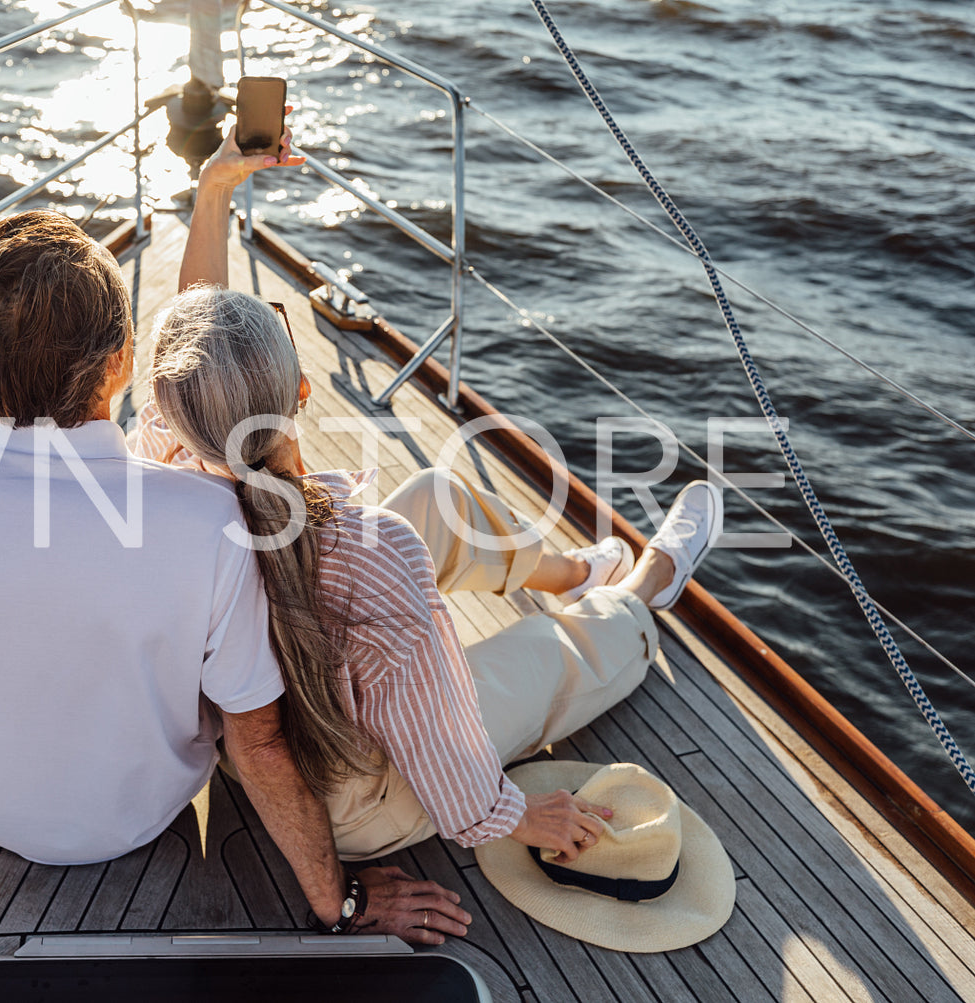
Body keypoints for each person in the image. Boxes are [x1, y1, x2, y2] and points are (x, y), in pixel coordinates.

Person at [0, 208, 471, 944]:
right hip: (144, 817)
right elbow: (259, 743)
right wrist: (336, 901)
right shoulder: (208, 519)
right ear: (119, 363)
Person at [127, 126, 723, 889]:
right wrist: (512, 812)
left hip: (253, 753)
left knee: (438, 499)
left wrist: (213, 191)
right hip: (352, 799)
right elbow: (439, 738)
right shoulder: (373, 554)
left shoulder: (166, 453)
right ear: (302, 390)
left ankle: (570, 571)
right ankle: (640, 594)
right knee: (549, 658)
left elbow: (192, 333)